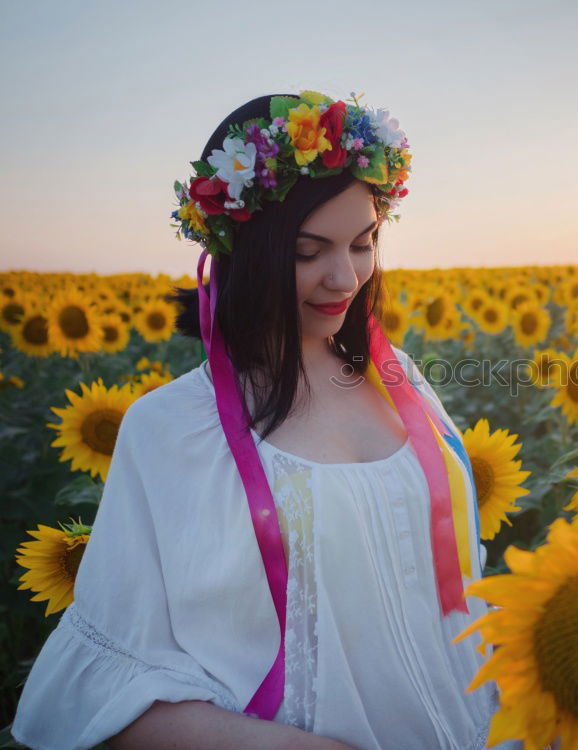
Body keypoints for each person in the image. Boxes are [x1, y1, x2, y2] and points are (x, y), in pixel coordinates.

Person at [12, 91, 523, 750]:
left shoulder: (399, 377)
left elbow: (451, 585)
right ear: (245, 251)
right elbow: (115, 685)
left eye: (364, 243)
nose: (346, 277)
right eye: (310, 252)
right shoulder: (167, 428)